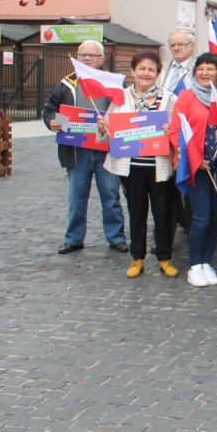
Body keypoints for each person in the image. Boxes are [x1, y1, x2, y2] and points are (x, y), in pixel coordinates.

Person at [97, 50, 178, 278]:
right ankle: (137, 258)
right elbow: (109, 132)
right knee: (137, 212)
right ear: (132, 71)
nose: (146, 73)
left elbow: (180, 130)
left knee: (163, 213)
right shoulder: (120, 98)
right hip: (131, 167)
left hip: (159, 167)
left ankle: (164, 257)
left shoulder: (169, 98)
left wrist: (170, 130)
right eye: (141, 68)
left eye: (151, 69)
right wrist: (103, 129)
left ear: (158, 73)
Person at [44, 40, 127, 255]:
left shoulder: (113, 83)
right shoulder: (66, 84)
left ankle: (116, 238)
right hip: (76, 151)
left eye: (92, 55)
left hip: (106, 150)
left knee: (111, 197)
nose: (87, 58)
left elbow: (126, 113)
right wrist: (52, 121)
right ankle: (74, 239)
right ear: (77, 57)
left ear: (102, 59)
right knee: (76, 198)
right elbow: (50, 110)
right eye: (83, 54)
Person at [169, 53, 217, 288]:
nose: (205, 73)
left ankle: (206, 262)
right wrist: (196, 160)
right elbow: (176, 132)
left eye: (210, 68)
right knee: (201, 218)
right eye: (200, 69)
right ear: (195, 72)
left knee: (215, 219)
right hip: (196, 167)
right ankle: (194, 265)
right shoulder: (186, 96)